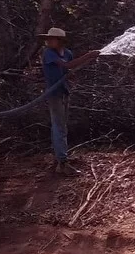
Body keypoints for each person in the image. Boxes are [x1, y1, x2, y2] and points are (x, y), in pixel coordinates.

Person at [38, 28, 99, 173]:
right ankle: (62, 162)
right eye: (48, 38)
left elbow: (69, 71)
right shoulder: (48, 53)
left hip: (64, 92)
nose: (48, 41)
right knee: (59, 126)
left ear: (60, 41)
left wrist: (72, 76)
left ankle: (59, 158)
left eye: (52, 38)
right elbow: (67, 66)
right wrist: (88, 56)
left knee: (61, 126)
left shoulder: (68, 53)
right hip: (54, 94)